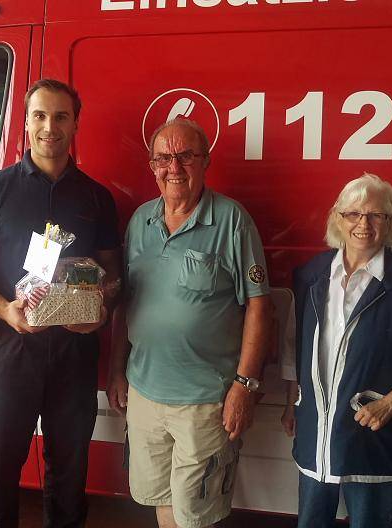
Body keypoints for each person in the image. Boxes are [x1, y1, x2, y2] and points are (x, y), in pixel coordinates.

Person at [0, 79, 121, 528]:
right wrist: (6, 310)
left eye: (61, 116)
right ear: (25, 123)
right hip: (11, 348)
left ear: (76, 123)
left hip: (75, 354)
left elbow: (114, 278)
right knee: (1, 468)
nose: (50, 127)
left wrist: (98, 312)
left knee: (69, 473)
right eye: (40, 116)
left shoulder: (96, 198)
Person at [107, 118, 272, 528]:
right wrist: (115, 372)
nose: (174, 167)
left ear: (206, 161)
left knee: (196, 514)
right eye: (163, 158)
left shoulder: (232, 221)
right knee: (162, 500)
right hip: (144, 393)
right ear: (151, 165)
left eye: (185, 156)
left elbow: (259, 306)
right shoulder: (140, 221)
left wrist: (245, 385)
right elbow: (126, 304)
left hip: (205, 400)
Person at [281, 174, 392, 528]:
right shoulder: (311, 276)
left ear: (390, 223)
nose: (363, 224)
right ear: (338, 219)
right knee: (311, 521)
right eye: (353, 214)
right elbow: (296, 343)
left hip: (374, 429)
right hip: (317, 427)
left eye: (375, 215)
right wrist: (292, 399)